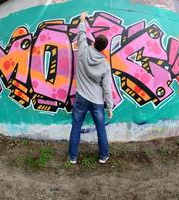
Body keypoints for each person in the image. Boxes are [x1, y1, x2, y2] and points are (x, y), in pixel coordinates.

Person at [68, 11, 113, 164]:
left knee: (76, 126)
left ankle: (73, 157)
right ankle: (103, 156)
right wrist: (110, 107)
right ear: (103, 49)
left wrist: (82, 19)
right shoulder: (105, 64)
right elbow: (107, 87)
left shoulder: (83, 51)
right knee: (101, 128)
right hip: (97, 101)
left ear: (93, 43)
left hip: (81, 97)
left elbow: (81, 33)